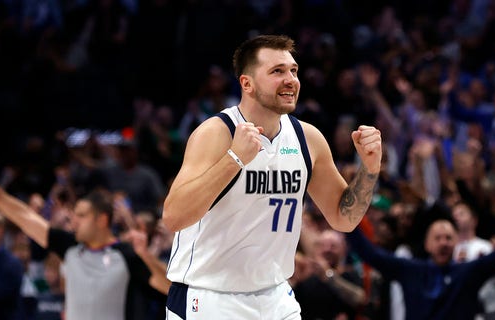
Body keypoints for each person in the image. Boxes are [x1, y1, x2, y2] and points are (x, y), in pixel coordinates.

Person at [161, 34, 382, 319]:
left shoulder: (308, 138)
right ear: (247, 83)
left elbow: (344, 218)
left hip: (275, 296)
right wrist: (235, 158)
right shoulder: (217, 133)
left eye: (293, 70)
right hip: (210, 296)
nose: (290, 79)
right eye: (277, 71)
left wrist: (370, 168)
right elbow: (173, 216)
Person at [0, 143, 170, 320]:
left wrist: (146, 256)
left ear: (102, 220)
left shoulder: (126, 254)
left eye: (82, 215)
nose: (74, 220)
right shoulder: (69, 246)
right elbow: (25, 217)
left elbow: (169, 287)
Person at [345, 193, 495, 320]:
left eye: (449, 238)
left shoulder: (468, 272)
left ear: (456, 243)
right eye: (438, 238)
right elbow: (370, 254)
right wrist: (347, 222)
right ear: (427, 244)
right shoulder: (410, 269)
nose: (443, 242)